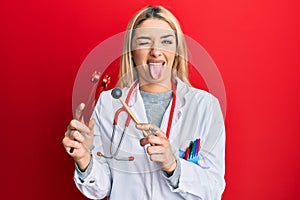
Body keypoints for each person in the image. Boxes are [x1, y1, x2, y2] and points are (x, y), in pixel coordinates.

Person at [63, 5, 226, 200]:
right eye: (144, 42)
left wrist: (173, 165)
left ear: (177, 50)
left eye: (166, 41)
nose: (156, 51)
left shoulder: (205, 106)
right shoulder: (109, 103)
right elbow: (100, 189)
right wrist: (84, 159)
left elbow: (214, 189)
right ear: (131, 51)